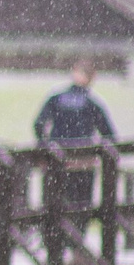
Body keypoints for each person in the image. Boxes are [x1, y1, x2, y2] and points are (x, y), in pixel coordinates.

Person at [34, 59, 117, 212]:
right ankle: (78, 232)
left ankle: (54, 233)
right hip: (83, 163)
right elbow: (110, 135)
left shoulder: (55, 99)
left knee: (52, 209)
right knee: (81, 209)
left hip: (56, 161)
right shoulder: (93, 104)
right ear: (92, 78)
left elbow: (38, 124)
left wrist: (46, 147)